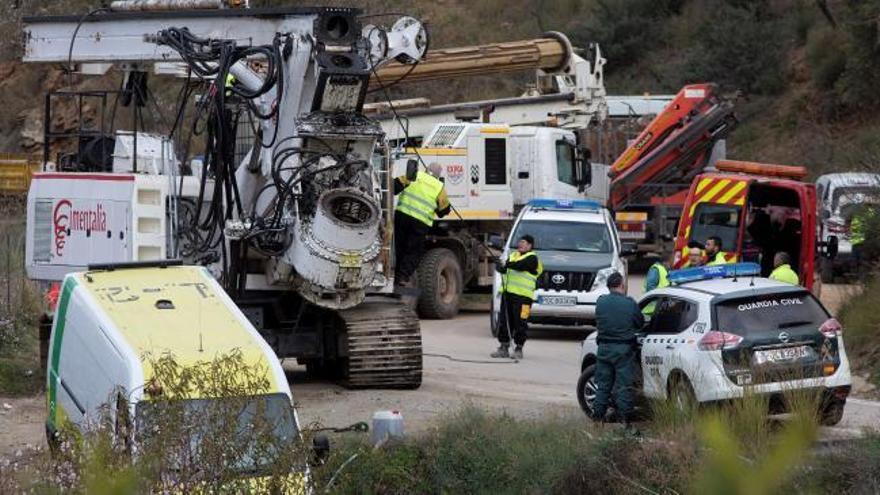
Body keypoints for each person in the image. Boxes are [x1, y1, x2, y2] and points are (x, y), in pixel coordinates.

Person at [592, 272, 644, 425]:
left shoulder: (600, 302)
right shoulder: (629, 303)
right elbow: (639, 323)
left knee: (603, 386)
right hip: (623, 351)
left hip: (603, 349)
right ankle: (624, 421)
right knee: (623, 387)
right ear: (622, 285)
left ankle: (597, 420)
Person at [393, 160, 451, 287]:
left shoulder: (414, 175)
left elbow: (394, 186)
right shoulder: (438, 186)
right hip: (420, 223)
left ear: (426, 170)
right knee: (414, 250)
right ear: (438, 175)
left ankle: (392, 273)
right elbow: (444, 210)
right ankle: (402, 276)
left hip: (401, 216)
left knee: (398, 246)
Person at [491, 235, 543, 360]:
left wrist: (506, 263)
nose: (520, 244)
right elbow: (505, 269)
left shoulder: (532, 258)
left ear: (530, 245)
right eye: (519, 242)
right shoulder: (513, 256)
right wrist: (499, 266)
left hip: (524, 298)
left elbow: (520, 265)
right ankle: (504, 347)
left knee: (520, 323)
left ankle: (519, 348)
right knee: (505, 321)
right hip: (508, 294)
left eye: (523, 242)